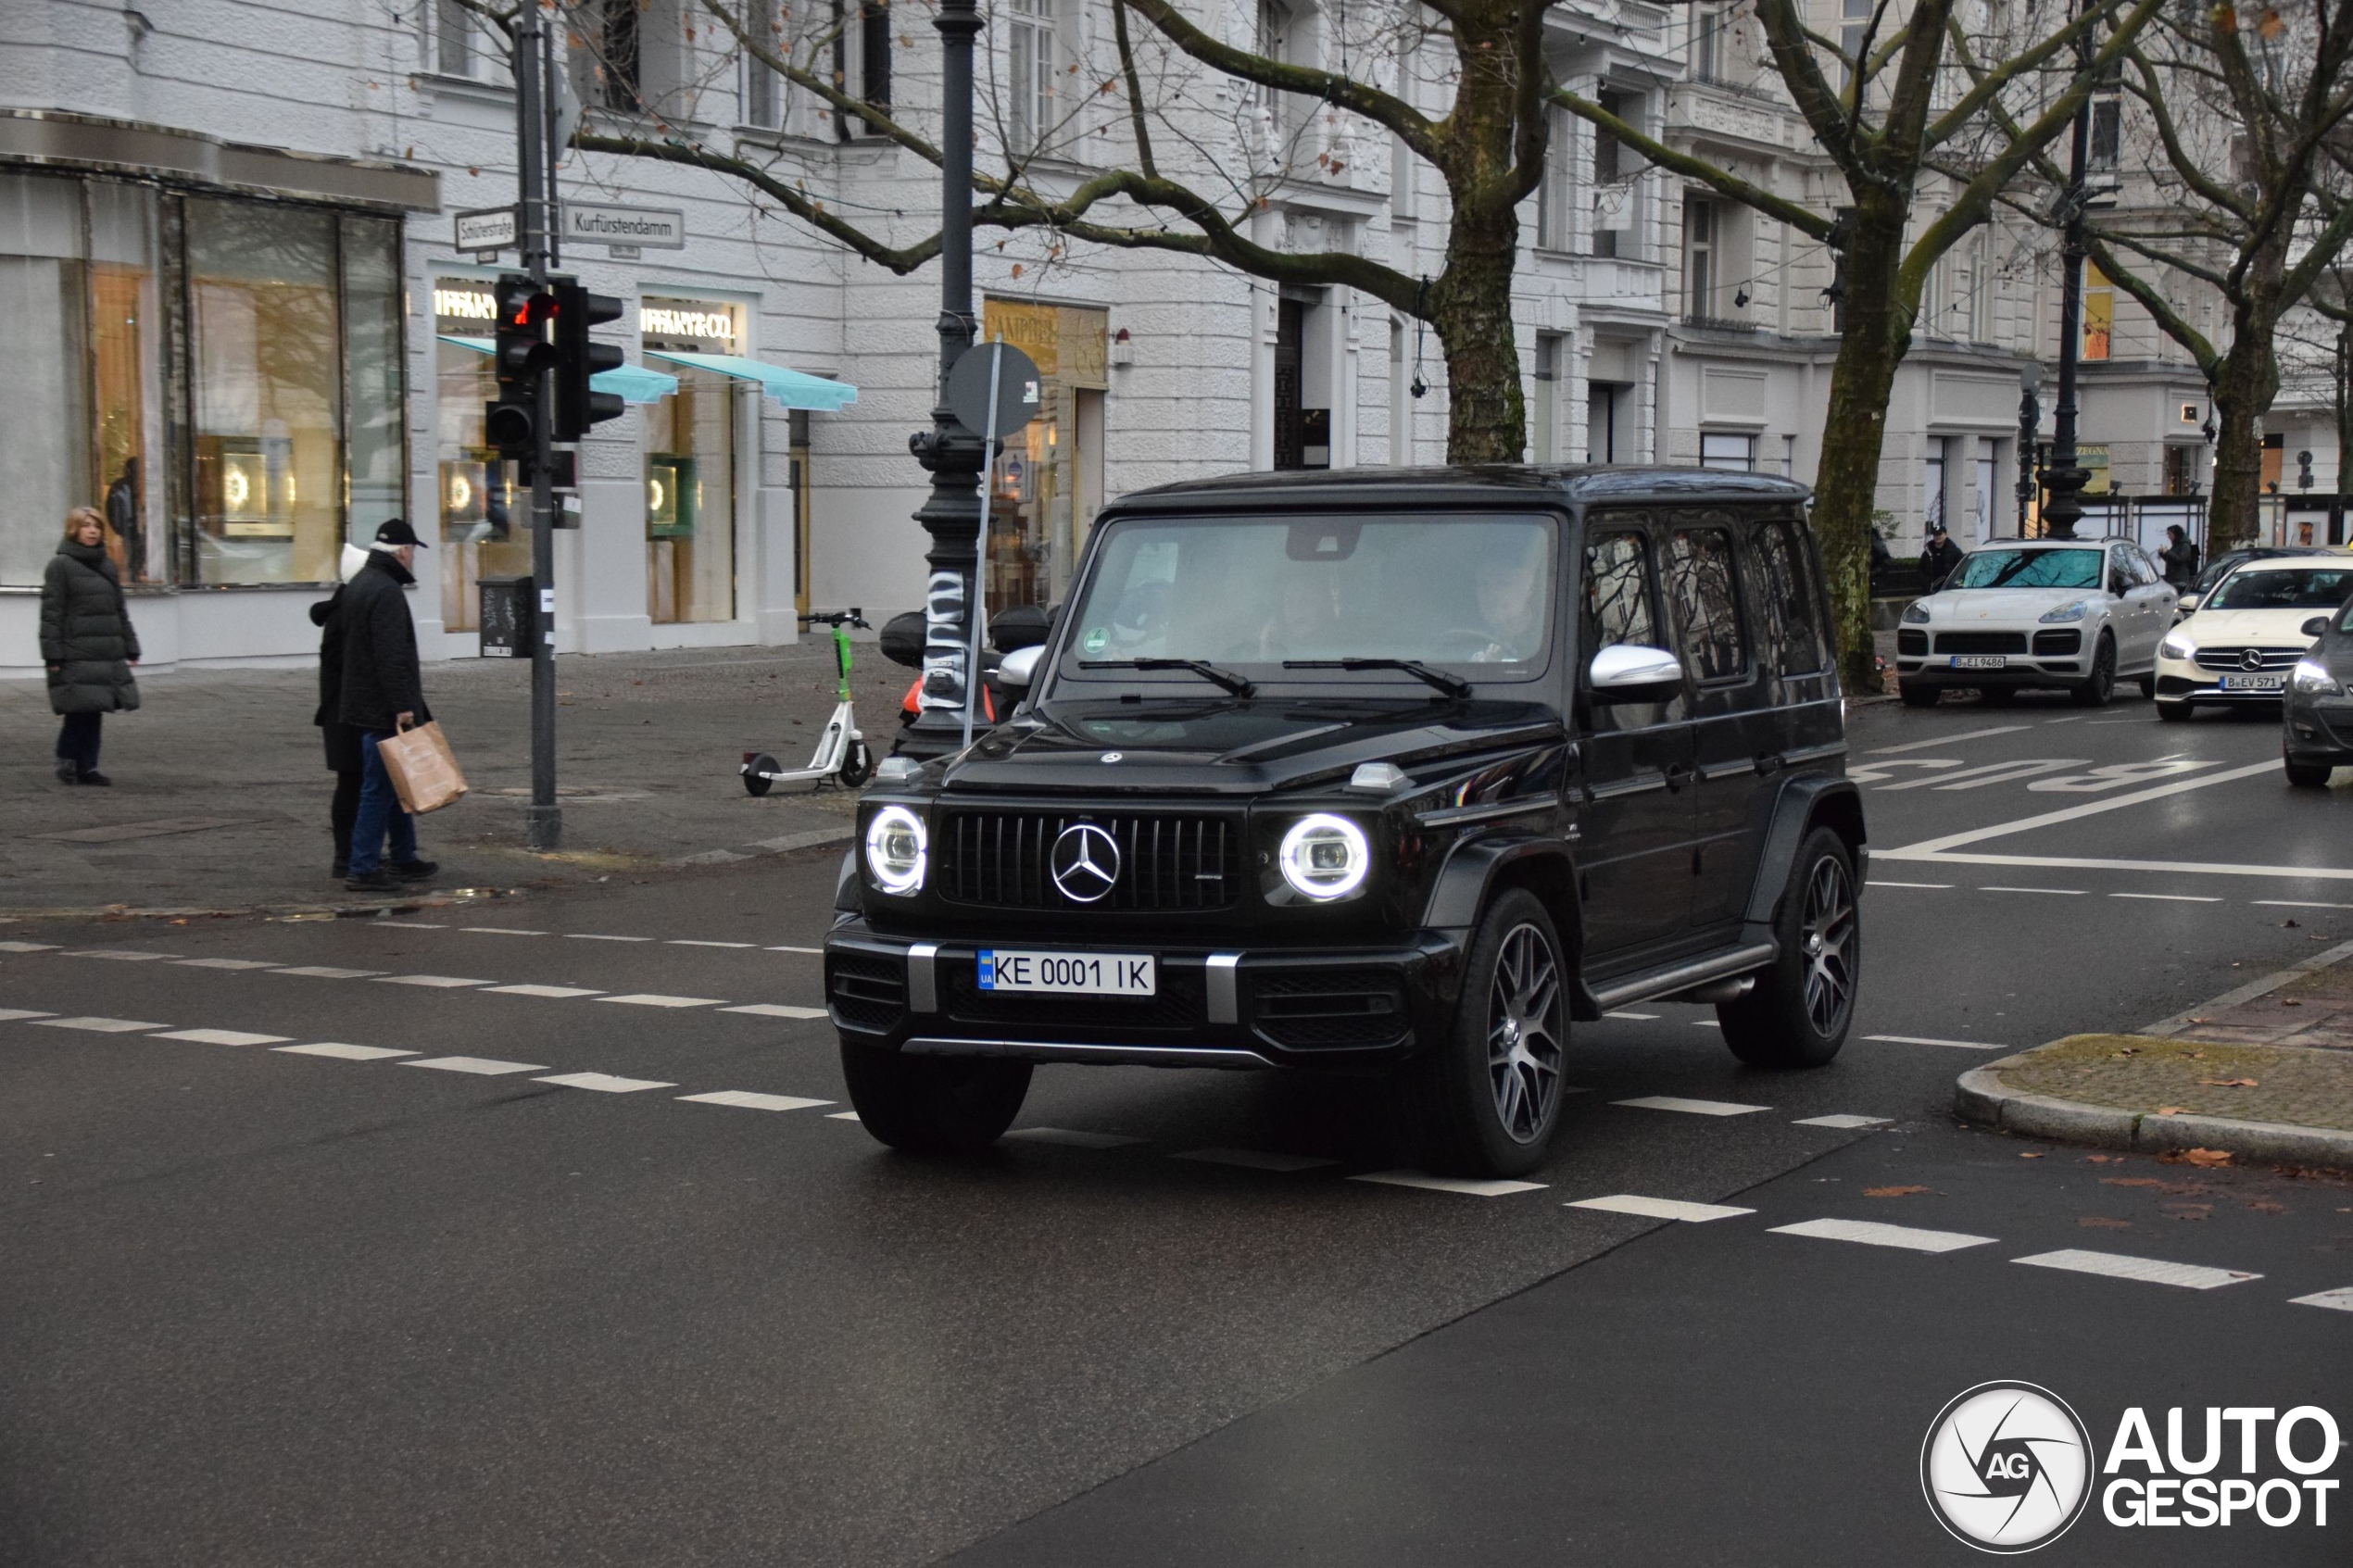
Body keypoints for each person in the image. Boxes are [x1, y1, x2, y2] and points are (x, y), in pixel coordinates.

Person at [341, 520, 440, 891]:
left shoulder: (362, 583)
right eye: (412, 551)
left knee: (398, 783)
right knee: (380, 788)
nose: (412, 558)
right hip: (382, 707)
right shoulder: (386, 592)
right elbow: (391, 655)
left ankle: (404, 856)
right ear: (402, 552)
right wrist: (403, 706)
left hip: (364, 701)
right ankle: (363, 867)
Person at [40, 506, 140, 785]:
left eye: (96, 525)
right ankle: (67, 760)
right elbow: (51, 615)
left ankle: (89, 767)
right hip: (75, 653)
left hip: (103, 652)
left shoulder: (107, 565)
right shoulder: (60, 566)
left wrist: (131, 646)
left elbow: (119, 610)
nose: (92, 530)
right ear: (74, 530)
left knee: (94, 711)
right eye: (85, 525)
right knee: (78, 713)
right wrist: (53, 655)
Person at [311, 544, 371, 880]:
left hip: (340, 710)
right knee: (352, 784)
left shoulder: (342, 610)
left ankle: (348, 854)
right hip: (345, 712)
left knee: (353, 783)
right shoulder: (346, 614)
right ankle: (346, 855)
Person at [105, 458, 142, 583]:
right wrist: (120, 530)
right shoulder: (119, 487)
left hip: (138, 529)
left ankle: (135, 578)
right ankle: (132, 580)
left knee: (137, 558)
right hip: (128, 529)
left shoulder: (141, 486)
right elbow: (112, 511)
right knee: (131, 558)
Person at [1919, 522, 1965, 592]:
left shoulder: (1955, 552)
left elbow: (1961, 570)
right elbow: (1921, 570)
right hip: (1931, 589)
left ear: (1946, 535)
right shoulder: (1927, 553)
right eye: (1935, 534)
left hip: (1949, 589)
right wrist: (1925, 584)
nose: (1937, 537)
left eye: (1940, 534)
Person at [2160, 524, 2201, 589]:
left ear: (2175, 534)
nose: (2169, 537)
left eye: (2170, 534)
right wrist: (2163, 554)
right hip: (2171, 578)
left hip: (2179, 579)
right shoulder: (2175, 545)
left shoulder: (2185, 546)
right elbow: (2171, 560)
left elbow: (2180, 559)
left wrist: (2168, 552)